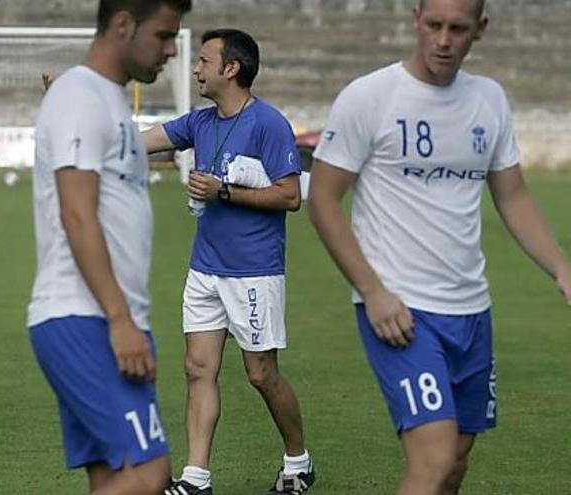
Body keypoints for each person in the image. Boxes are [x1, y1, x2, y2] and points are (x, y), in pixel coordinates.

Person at [307, 1, 571, 493]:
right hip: (399, 309)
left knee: (455, 463)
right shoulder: (371, 97)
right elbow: (322, 199)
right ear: (415, 21)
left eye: (457, 29)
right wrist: (373, 290)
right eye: (434, 26)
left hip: (472, 310)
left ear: (481, 30)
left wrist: (561, 267)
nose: (443, 40)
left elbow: (512, 195)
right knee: (432, 459)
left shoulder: (489, 99)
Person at [28, 0, 191, 493]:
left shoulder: (110, 99)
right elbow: (77, 214)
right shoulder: (81, 96)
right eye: (163, 36)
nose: (170, 50)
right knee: (149, 474)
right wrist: (120, 320)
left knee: (115, 476)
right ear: (123, 24)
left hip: (102, 317)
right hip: (85, 317)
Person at [143, 29, 314, 495]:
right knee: (198, 369)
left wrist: (224, 192)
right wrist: (77, 119)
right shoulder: (199, 121)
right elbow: (138, 141)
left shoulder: (269, 124)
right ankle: (197, 478)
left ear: (231, 69)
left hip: (254, 272)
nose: (196, 69)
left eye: (203, 61)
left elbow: (290, 195)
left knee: (260, 373)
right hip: (204, 270)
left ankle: (298, 461)